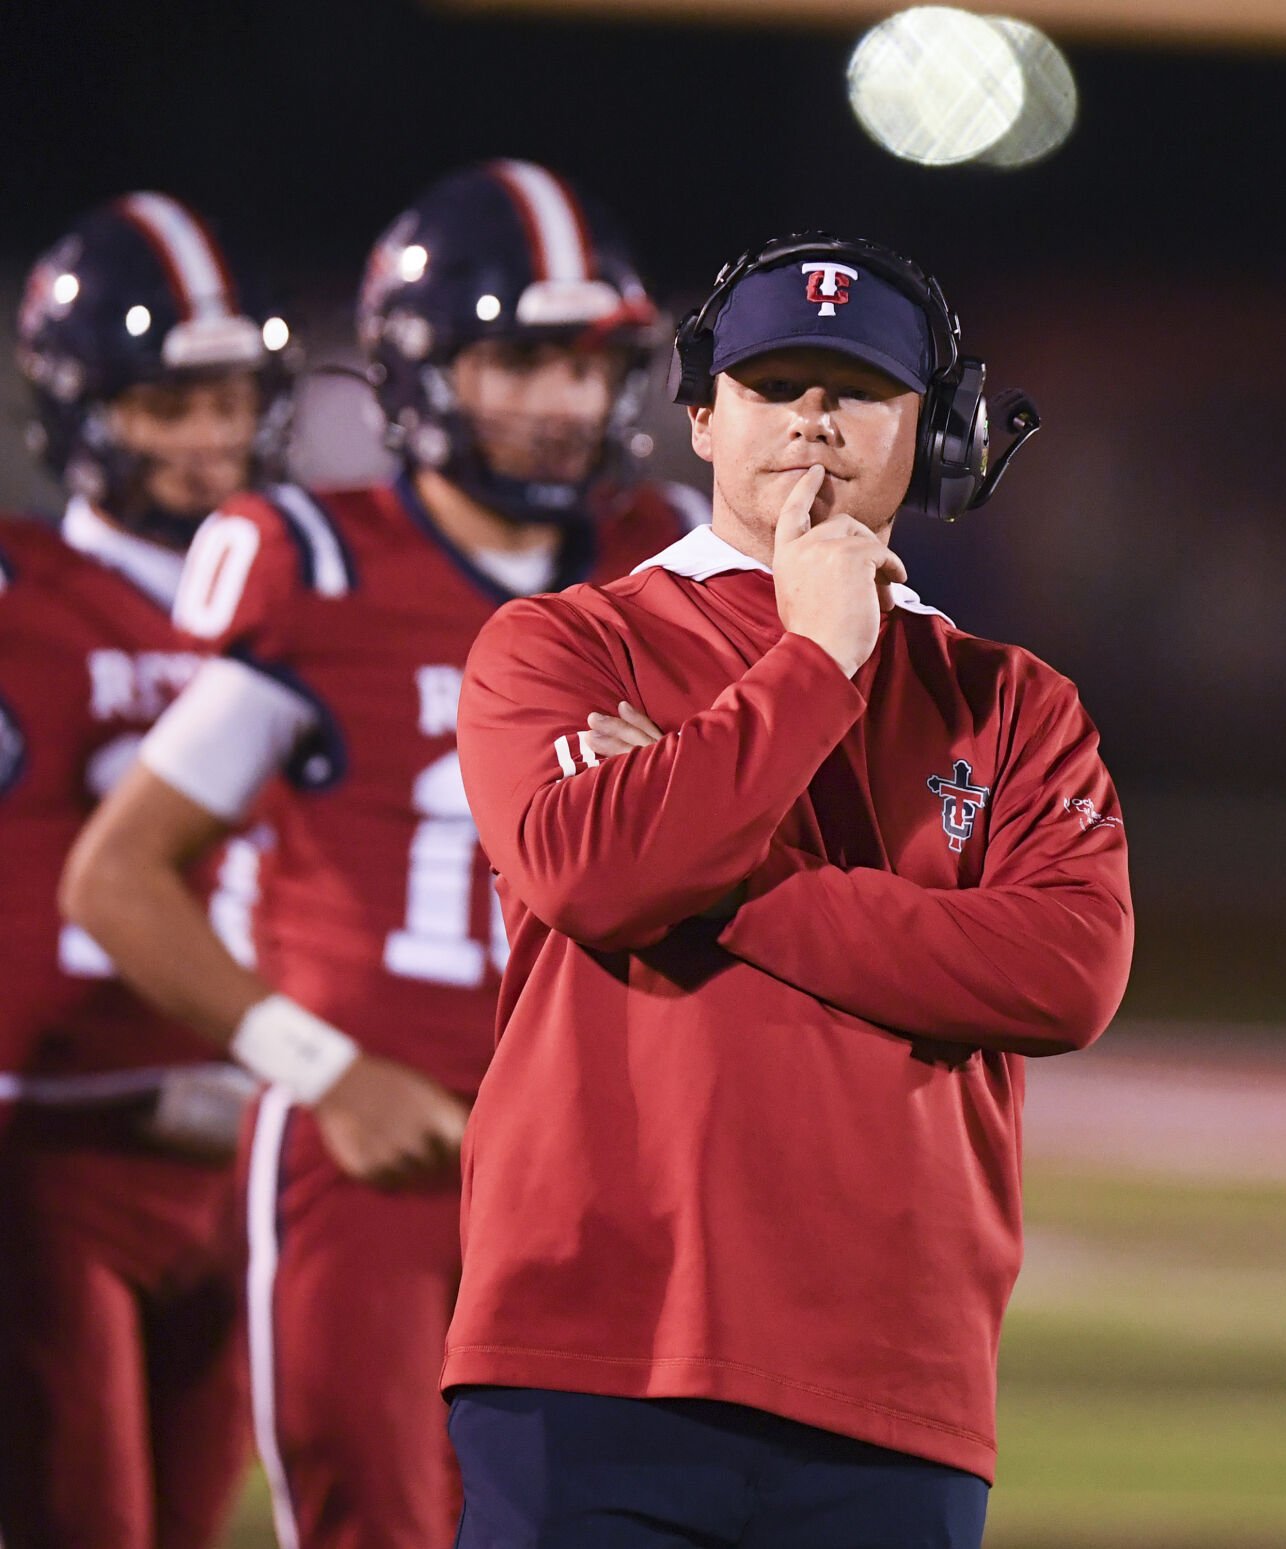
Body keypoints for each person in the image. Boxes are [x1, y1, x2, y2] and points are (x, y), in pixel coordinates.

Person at [445, 232, 1134, 1548]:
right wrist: (815, 651)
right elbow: (591, 871)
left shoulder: (1014, 702)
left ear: (931, 433)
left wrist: (725, 879)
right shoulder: (559, 640)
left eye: (855, 391)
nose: (812, 423)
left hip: (892, 1380)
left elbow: (1061, 973)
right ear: (701, 417)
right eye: (774, 388)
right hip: (589, 1353)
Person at [61, 160, 705, 1549]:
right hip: (378, 1154)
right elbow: (116, 875)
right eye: (521, 359)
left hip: (608, 1152)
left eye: (588, 366)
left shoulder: (662, 564)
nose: (561, 403)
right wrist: (323, 1068)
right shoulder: (320, 565)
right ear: (423, 367)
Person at [0, 191, 292, 1549]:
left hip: (248, 1157)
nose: (205, 439)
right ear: (81, 409)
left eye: (226, 402)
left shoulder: (304, 598)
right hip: (60, 1147)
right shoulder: (29, 600)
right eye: (168, 405)